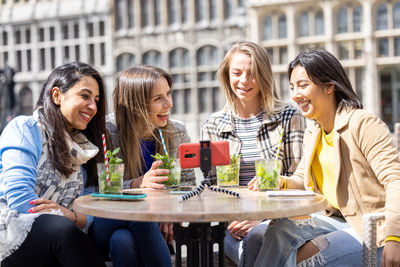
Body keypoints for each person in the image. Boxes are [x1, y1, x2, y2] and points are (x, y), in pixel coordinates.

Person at [251, 49, 400, 266]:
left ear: (329, 86)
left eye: (303, 85)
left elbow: (395, 181)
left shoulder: (363, 123)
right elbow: (302, 179)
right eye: (292, 87)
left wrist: (394, 238)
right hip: (334, 220)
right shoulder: (314, 130)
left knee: (309, 260)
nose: (295, 95)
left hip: (371, 227)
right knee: (268, 233)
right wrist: (281, 181)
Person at [201, 41, 306, 267]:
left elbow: (298, 181)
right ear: (227, 76)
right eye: (237, 73)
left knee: (258, 237)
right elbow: (210, 188)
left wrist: (262, 217)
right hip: (230, 224)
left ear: (264, 76)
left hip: (277, 221)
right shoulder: (212, 125)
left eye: (252, 74)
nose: (244, 81)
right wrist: (233, 218)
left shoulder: (289, 117)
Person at [0, 62, 107, 266]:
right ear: (57, 96)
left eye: (96, 100)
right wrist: (64, 216)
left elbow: (91, 207)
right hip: (10, 231)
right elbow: (20, 197)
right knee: (63, 231)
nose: (93, 106)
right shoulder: (25, 128)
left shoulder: (84, 148)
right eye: (84, 96)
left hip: (56, 235)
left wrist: (71, 216)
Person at [89, 65, 196, 267]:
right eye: (158, 99)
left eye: (168, 94)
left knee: (122, 242)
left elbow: (189, 184)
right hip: (108, 218)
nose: (169, 104)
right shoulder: (106, 131)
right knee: (141, 214)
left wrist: (168, 210)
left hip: (147, 228)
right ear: (135, 103)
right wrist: (136, 184)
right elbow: (96, 189)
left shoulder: (176, 132)